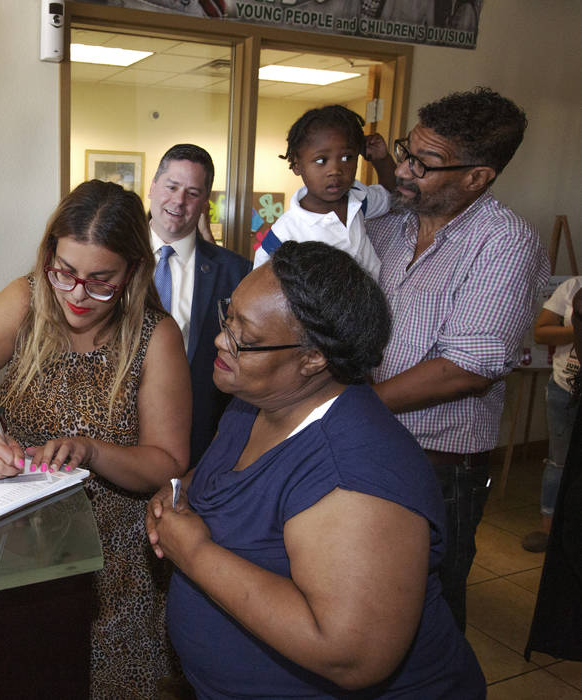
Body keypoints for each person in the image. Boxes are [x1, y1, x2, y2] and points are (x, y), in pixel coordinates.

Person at [147, 241, 485, 698]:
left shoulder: (355, 476)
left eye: (244, 336)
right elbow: (227, 479)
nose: (220, 340)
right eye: (229, 317)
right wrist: (177, 492)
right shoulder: (258, 400)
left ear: (313, 358)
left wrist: (194, 553)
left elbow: (349, 655)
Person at [0, 179, 192, 697]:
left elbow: (168, 461)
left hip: (115, 565)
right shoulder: (26, 300)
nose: (77, 294)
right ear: (49, 256)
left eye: (101, 280)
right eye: (65, 273)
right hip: (22, 547)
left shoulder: (156, 336)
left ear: (134, 270)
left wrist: (93, 451)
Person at [368, 86, 548, 630]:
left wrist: (353, 404)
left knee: (427, 614)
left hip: (437, 469)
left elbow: (467, 365)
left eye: (425, 164)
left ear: (477, 177)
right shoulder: (395, 224)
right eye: (406, 152)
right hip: (371, 445)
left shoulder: (505, 244)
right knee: (368, 600)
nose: (404, 170)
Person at [148, 144, 251, 466]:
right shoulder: (111, 259)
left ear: (206, 202)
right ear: (152, 187)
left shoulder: (237, 273)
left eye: (192, 192)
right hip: (113, 436)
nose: (179, 201)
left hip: (199, 440)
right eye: (171, 186)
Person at [252, 104, 396, 279]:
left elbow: (391, 196)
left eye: (346, 157)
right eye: (321, 160)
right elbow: (256, 287)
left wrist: (382, 160)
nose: (335, 169)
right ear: (297, 165)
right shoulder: (285, 234)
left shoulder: (359, 198)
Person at [521, 275, 582, 552]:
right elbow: (541, 332)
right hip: (564, 387)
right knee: (559, 460)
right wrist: (577, 328)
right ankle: (549, 531)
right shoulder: (572, 286)